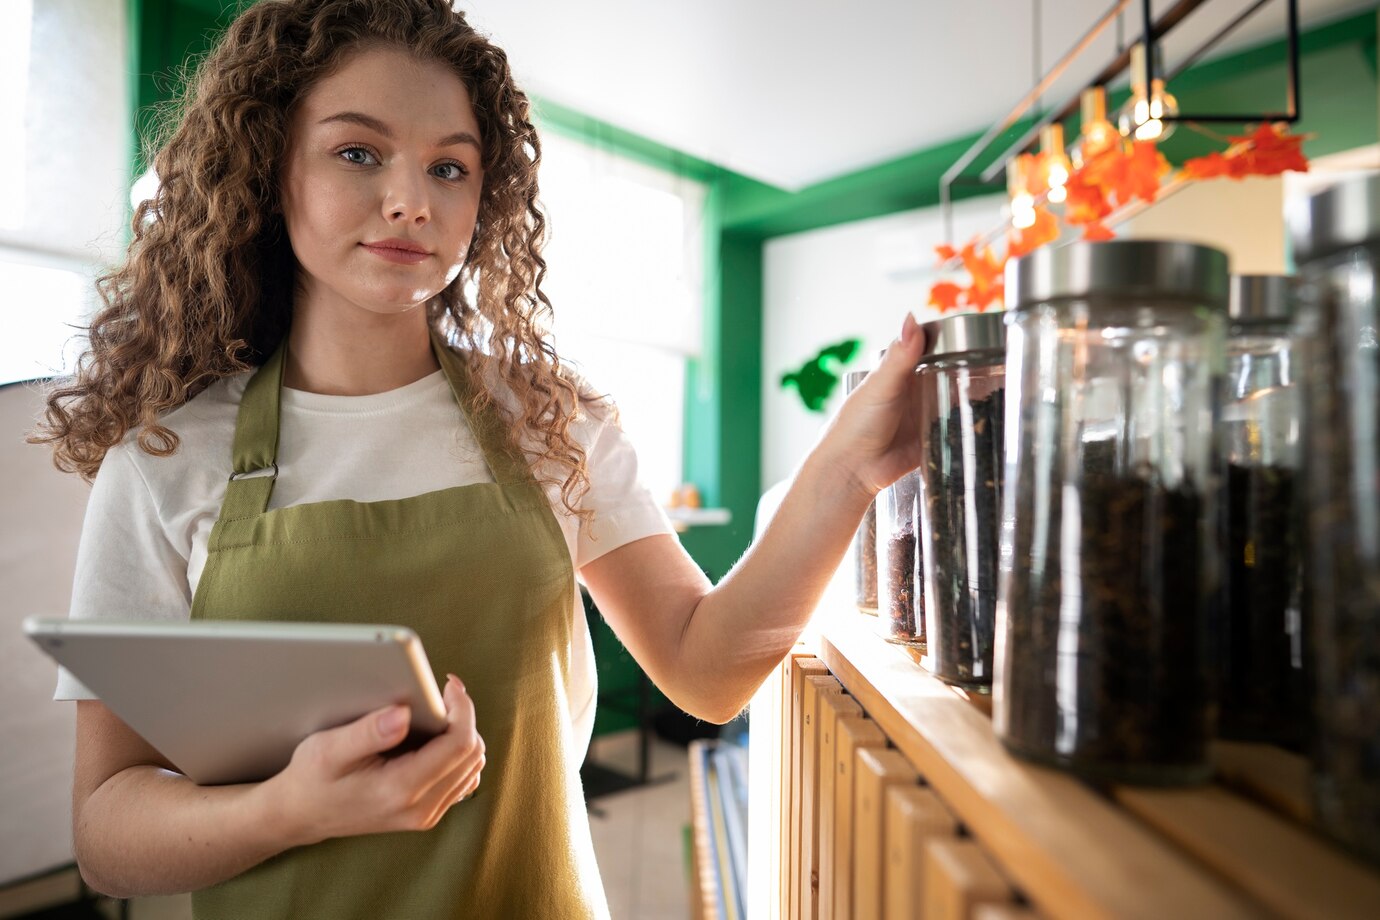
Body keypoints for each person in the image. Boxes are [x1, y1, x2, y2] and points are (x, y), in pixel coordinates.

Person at [34, 0, 926, 916]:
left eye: (449, 167)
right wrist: (286, 810)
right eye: (357, 152)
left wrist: (848, 469)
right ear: (268, 172)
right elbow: (107, 836)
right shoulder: (165, 464)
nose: (412, 201)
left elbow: (708, 671)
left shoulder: (550, 422)